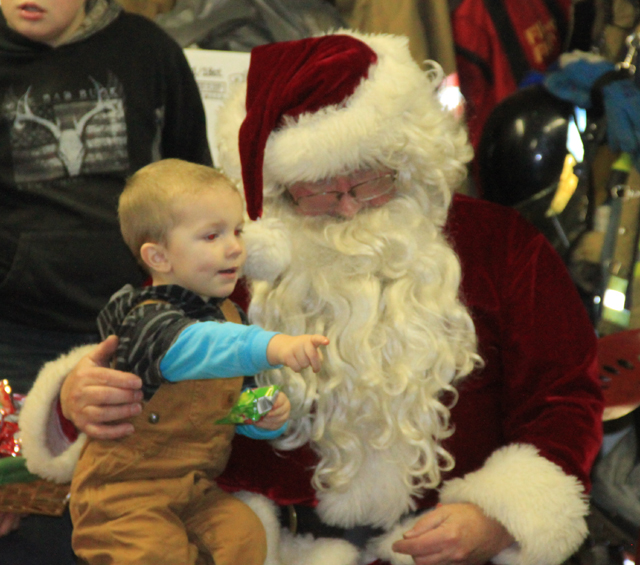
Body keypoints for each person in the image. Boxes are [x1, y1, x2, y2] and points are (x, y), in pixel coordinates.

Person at [19, 31, 604, 565]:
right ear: (275, 190)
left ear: (410, 160)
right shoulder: (229, 264)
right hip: (267, 548)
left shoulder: (499, 246)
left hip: (450, 551)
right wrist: (76, 402)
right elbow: (139, 376)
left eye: (370, 177)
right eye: (319, 187)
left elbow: (564, 396)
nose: (348, 206)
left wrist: (500, 518)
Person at [0, 0, 211, 562]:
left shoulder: (148, 50)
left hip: (137, 329)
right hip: (17, 333)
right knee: (24, 521)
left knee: (131, 514)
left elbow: (195, 182)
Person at [69, 159, 328, 564]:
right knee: (157, 554)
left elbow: (231, 401)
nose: (235, 247)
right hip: (123, 492)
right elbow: (197, 347)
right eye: (212, 235)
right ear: (158, 257)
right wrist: (273, 345)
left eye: (237, 230)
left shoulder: (230, 316)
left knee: (244, 533)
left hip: (192, 487)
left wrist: (261, 411)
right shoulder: (146, 319)